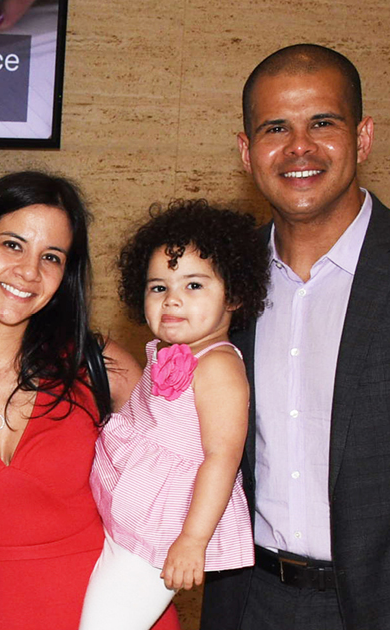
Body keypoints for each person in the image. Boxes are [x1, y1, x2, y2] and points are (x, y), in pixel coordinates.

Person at [200, 44, 390, 630]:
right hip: (250, 601)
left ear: (362, 138)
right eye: (274, 128)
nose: (299, 148)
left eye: (322, 122)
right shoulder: (218, 284)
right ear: (246, 152)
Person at [0, 172, 179, 630]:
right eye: (12, 244)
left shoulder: (97, 362)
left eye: (51, 257)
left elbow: (187, 456)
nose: (29, 271)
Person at [79, 200, 269, 629]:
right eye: (158, 287)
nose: (173, 300)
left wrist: (192, 539)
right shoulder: (172, 351)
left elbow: (223, 457)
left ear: (235, 294)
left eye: (194, 286)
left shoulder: (218, 365)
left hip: (161, 533)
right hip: (128, 522)